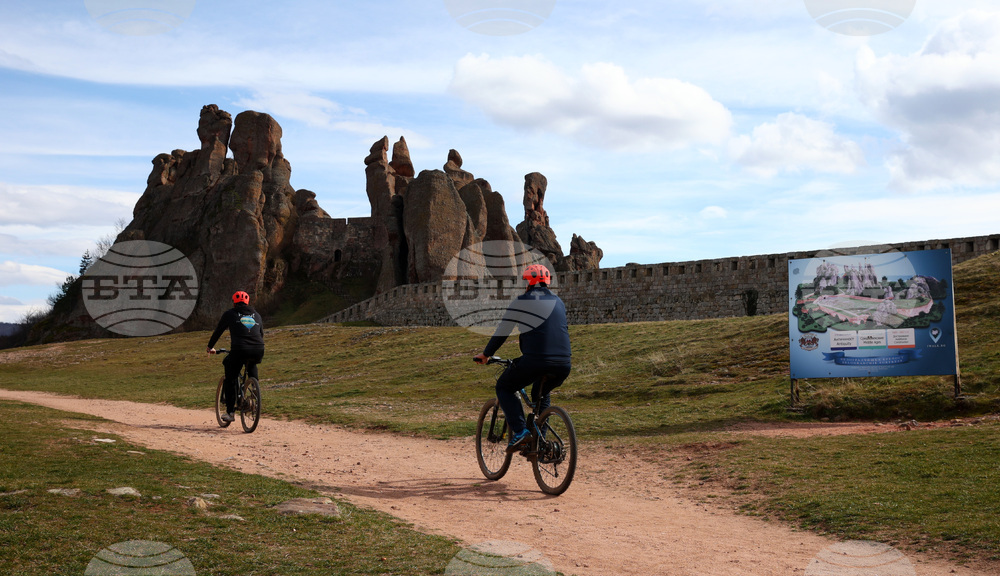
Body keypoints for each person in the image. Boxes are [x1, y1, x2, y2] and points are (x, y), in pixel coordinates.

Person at [474, 264, 571, 452]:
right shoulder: (559, 302)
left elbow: (503, 331)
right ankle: (541, 445)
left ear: (529, 282)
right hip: (564, 364)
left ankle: (520, 432)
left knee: (504, 386)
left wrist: (486, 354)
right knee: (541, 394)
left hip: (536, 361)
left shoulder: (523, 300)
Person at [207, 291, 265, 423]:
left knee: (230, 374)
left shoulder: (230, 314)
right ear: (248, 302)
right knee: (252, 363)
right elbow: (261, 334)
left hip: (239, 349)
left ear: (234, 303)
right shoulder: (257, 315)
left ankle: (230, 412)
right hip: (258, 349)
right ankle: (254, 386)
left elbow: (219, 330)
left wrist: (210, 346)